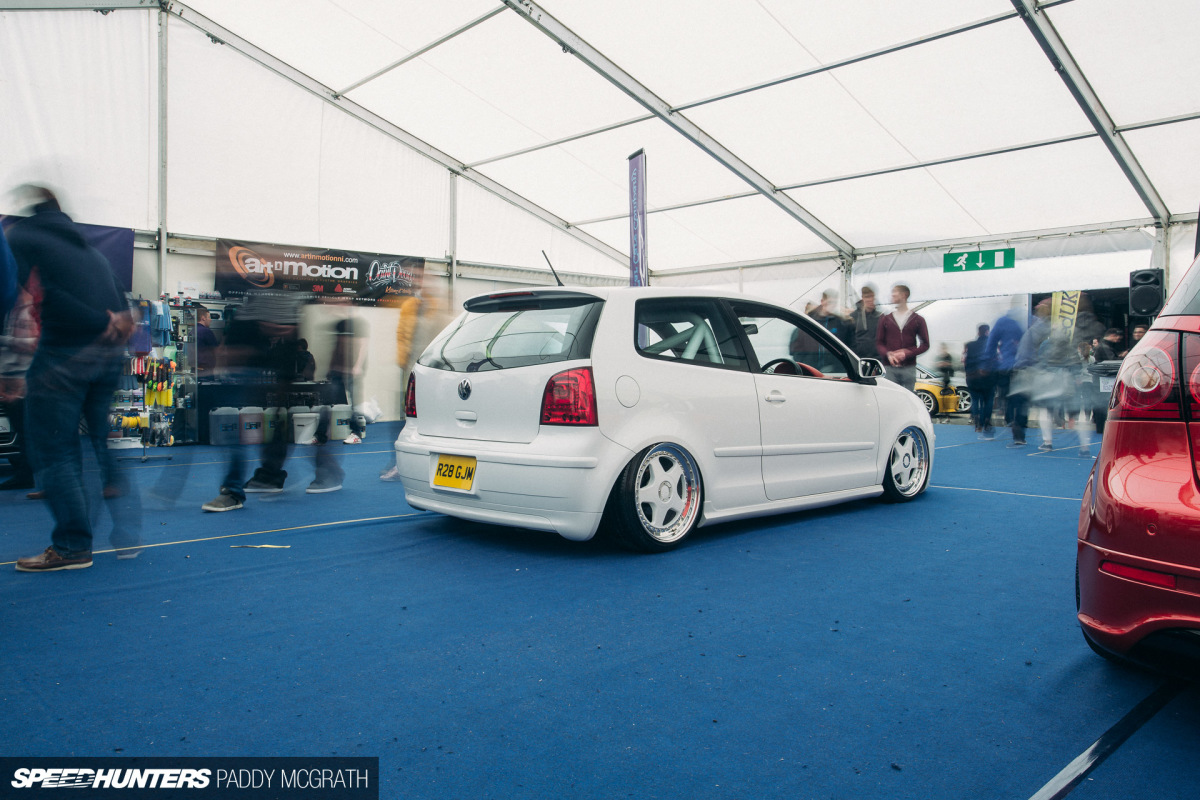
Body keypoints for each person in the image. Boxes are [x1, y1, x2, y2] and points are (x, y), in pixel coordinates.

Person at [8, 186, 141, 571]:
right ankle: (125, 532)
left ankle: (71, 546)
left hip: (63, 355)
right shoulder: (90, 250)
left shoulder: (22, 237)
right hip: (107, 357)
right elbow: (123, 308)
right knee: (101, 440)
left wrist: (8, 369)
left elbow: (27, 294)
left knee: (55, 452)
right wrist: (112, 323)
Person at [1007, 298, 1051, 448]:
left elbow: (1024, 352)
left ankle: (1019, 436)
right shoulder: (1048, 329)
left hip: (1027, 369)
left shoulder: (1033, 329)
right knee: (1043, 406)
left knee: (1021, 404)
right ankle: (1047, 439)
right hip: (1041, 370)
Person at [874, 284, 929, 391]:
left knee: (909, 396)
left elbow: (925, 344)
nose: (892, 295)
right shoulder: (885, 319)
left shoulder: (918, 320)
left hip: (909, 367)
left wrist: (907, 353)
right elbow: (879, 343)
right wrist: (888, 354)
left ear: (904, 295)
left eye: (895, 292)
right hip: (889, 367)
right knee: (891, 396)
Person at [327, 317, 366, 443]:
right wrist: (332, 367)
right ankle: (322, 434)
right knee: (329, 403)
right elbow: (336, 348)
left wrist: (358, 366)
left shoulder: (356, 324)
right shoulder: (339, 323)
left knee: (354, 404)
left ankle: (356, 433)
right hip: (338, 371)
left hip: (350, 371)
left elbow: (363, 344)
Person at [985, 306, 1025, 424]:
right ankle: (1019, 418)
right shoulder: (1022, 321)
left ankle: (1009, 417)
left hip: (1005, 365)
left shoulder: (1002, 321)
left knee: (1006, 393)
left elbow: (992, 342)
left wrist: (989, 360)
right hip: (1020, 363)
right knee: (1019, 392)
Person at [963, 324, 995, 437]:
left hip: (972, 377)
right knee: (988, 400)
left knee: (975, 400)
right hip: (988, 377)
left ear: (978, 332)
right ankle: (986, 421)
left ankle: (977, 422)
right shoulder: (992, 345)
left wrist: (968, 373)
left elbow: (965, 361)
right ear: (987, 332)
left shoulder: (970, 345)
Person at [850, 285, 881, 360]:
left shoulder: (880, 317)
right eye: (867, 297)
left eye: (871, 297)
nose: (869, 299)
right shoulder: (853, 317)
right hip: (859, 358)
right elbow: (849, 339)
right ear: (862, 298)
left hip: (878, 358)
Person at [194, 303, 218, 372]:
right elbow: (216, 349)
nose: (210, 320)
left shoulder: (192, 330)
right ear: (203, 318)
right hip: (205, 370)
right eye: (209, 317)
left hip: (195, 368)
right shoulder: (206, 331)